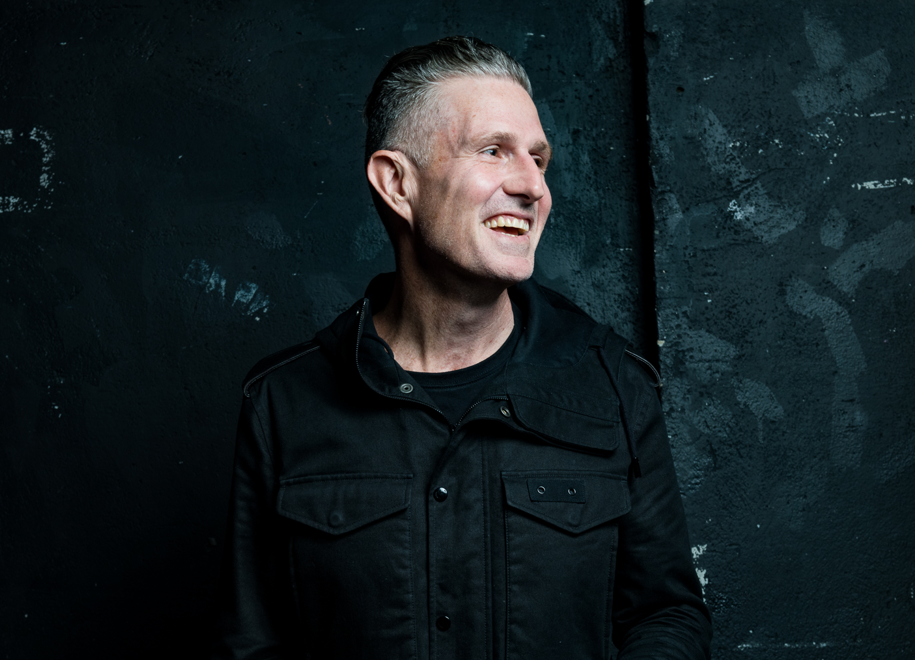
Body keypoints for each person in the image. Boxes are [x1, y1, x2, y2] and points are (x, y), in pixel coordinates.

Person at [212, 36, 711, 659]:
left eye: (538, 158)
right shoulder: (282, 403)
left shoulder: (616, 385)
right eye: (493, 150)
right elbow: (251, 642)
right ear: (397, 182)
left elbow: (667, 615)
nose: (533, 186)